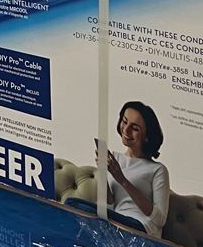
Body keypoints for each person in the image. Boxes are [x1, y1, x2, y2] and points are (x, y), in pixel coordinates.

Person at [67, 101, 170, 236]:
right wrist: (103, 172)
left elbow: (159, 220)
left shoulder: (158, 170)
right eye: (124, 122)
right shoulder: (115, 159)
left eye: (135, 128)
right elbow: (109, 206)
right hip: (114, 220)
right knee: (71, 203)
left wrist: (122, 180)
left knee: (79, 210)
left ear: (147, 136)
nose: (126, 130)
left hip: (140, 226)